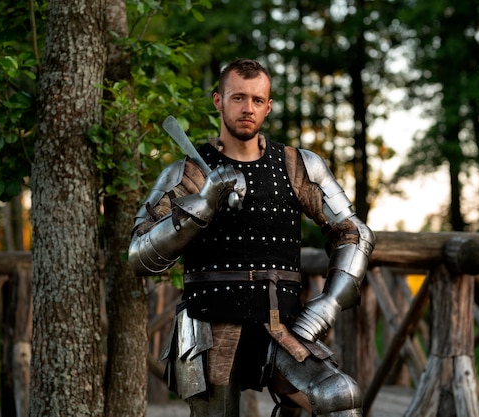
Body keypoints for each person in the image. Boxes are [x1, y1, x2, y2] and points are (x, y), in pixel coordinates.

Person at [128, 58, 375, 417]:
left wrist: (331, 302)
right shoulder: (188, 173)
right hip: (209, 327)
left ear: (268, 106)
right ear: (218, 101)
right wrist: (202, 204)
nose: (248, 108)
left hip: (281, 325)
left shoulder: (297, 166)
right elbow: (138, 254)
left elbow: (352, 232)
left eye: (257, 100)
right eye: (238, 98)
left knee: (339, 395)